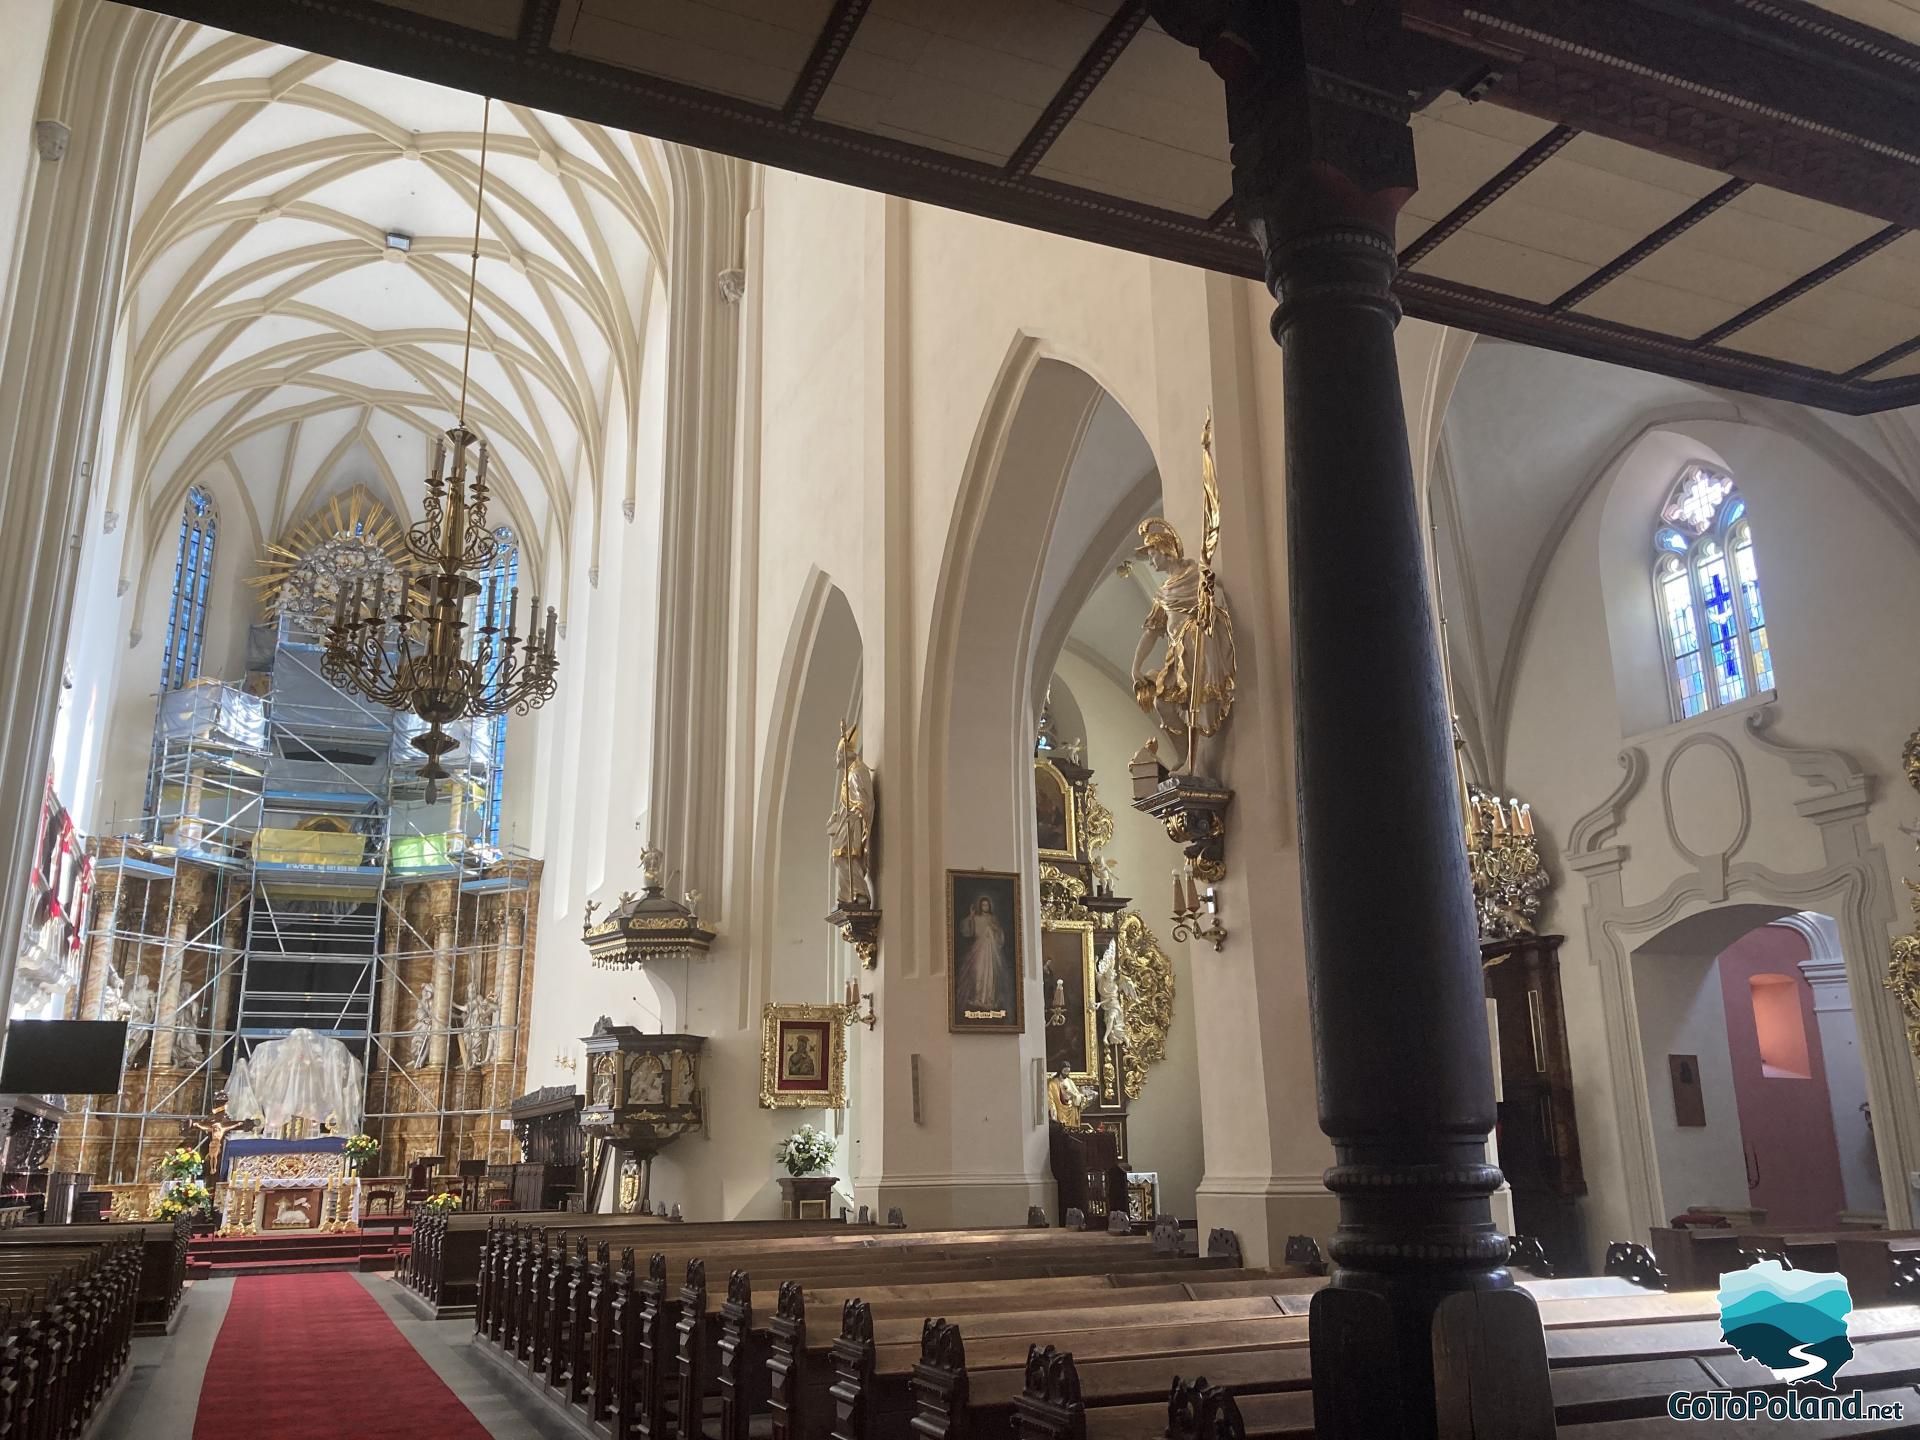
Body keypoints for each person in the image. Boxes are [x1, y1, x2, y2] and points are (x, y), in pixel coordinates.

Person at [956, 894, 1008, 1014]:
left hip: (991, 951)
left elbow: (1000, 936)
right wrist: (971, 916)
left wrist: (995, 929)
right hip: (979, 949)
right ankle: (979, 997)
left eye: (987, 904)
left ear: (989, 906)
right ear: (980, 906)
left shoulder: (993, 919)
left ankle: (989, 999)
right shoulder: (976, 918)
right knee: (978, 973)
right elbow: (968, 932)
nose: (985, 906)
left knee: (990, 975)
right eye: (983, 904)